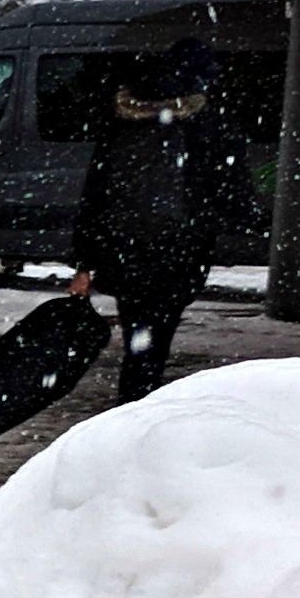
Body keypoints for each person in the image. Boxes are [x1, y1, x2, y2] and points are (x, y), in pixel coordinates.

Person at [74, 42, 212, 405]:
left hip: (129, 250)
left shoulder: (120, 129)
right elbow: (215, 193)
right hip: (173, 251)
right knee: (155, 338)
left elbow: (96, 198)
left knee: (139, 335)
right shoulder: (196, 129)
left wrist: (86, 261)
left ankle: (135, 398)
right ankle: (139, 399)